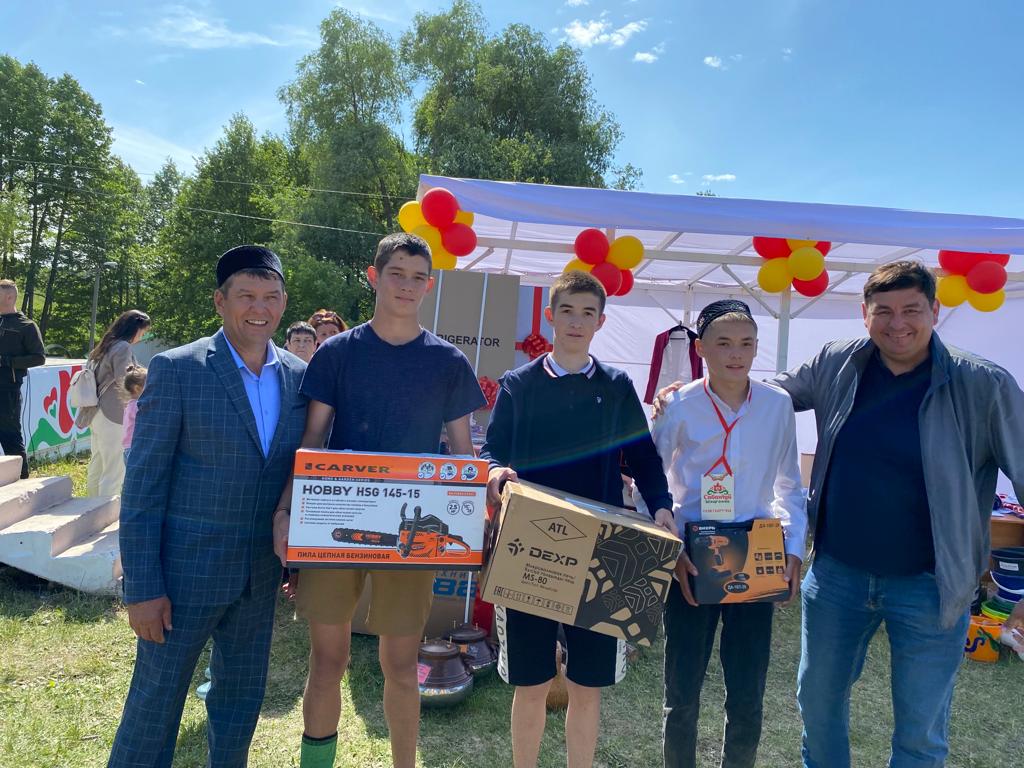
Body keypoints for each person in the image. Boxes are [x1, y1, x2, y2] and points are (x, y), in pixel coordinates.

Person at [654, 261, 1024, 768]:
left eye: (912, 309)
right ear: (864, 314)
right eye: (884, 311)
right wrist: (690, 392)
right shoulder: (838, 362)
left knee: (919, 733)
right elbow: (760, 393)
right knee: (819, 708)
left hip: (931, 584)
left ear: (936, 310)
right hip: (838, 580)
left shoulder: (983, 384)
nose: (898, 323)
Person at [272, 232, 485, 768]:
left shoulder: (448, 361)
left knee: (401, 665)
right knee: (328, 661)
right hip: (336, 523)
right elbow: (312, 444)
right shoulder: (337, 352)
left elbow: (463, 456)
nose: (406, 286)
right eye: (397, 274)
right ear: (374, 277)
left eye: (418, 278)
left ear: (429, 285)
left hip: (412, 534)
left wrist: (471, 525)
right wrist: (285, 510)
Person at [108, 245, 308, 768]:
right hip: (181, 578)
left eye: (270, 296)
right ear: (221, 301)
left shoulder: (299, 376)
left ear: (284, 302)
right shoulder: (178, 369)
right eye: (246, 296)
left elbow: (299, 474)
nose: (259, 308)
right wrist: (142, 587)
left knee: (239, 704)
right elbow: (143, 487)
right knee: (153, 707)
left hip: (259, 578)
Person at [481, 270, 677, 768]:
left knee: (587, 686)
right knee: (531, 683)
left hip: (604, 551)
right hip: (531, 547)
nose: (576, 321)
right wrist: (497, 472)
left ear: (600, 322)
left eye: (587, 313)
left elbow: (643, 456)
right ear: (550, 316)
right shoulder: (519, 384)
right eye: (567, 310)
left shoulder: (616, 386)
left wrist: (661, 506)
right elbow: (492, 450)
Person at [649, 299, 805, 768]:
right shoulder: (679, 404)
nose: (736, 354)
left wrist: (793, 552)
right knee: (682, 694)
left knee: (747, 695)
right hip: (693, 558)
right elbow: (651, 485)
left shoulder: (777, 405)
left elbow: (789, 486)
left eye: (746, 343)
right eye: (723, 343)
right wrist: (671, 548)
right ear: (700, 349)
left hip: (756, 555)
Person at [86, 309, 151, 497]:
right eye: (143, 332)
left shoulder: (105, 345)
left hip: (96, 412)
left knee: (98, 464)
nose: (142, 336)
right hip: (113, 414)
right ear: (134, 328)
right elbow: (125, 380)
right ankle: (108, 510)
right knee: (113, 471)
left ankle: (90, 507)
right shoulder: (123, 347)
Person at [0, 279, 45, 478]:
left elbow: (39, 357)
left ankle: (21, 480)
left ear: (9, 297)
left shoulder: (26, 325)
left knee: (10, 436)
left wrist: (7, 361)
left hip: (7, 389)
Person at [120, 365, 147, 462]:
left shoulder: (130, 405)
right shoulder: (137, 406)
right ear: (137, 388)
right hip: (135, 448)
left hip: (128, 447)